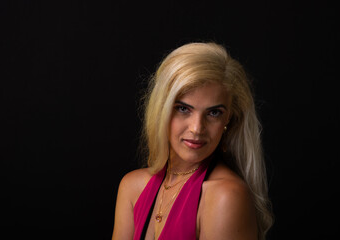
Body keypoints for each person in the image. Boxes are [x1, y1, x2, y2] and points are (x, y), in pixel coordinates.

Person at [112, 42, 273, 240]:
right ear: (161, 110)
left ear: (228, 119)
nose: (197, 128)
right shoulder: (132, 187)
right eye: (183, 109)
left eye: (214, 113)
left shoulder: (225, 196)